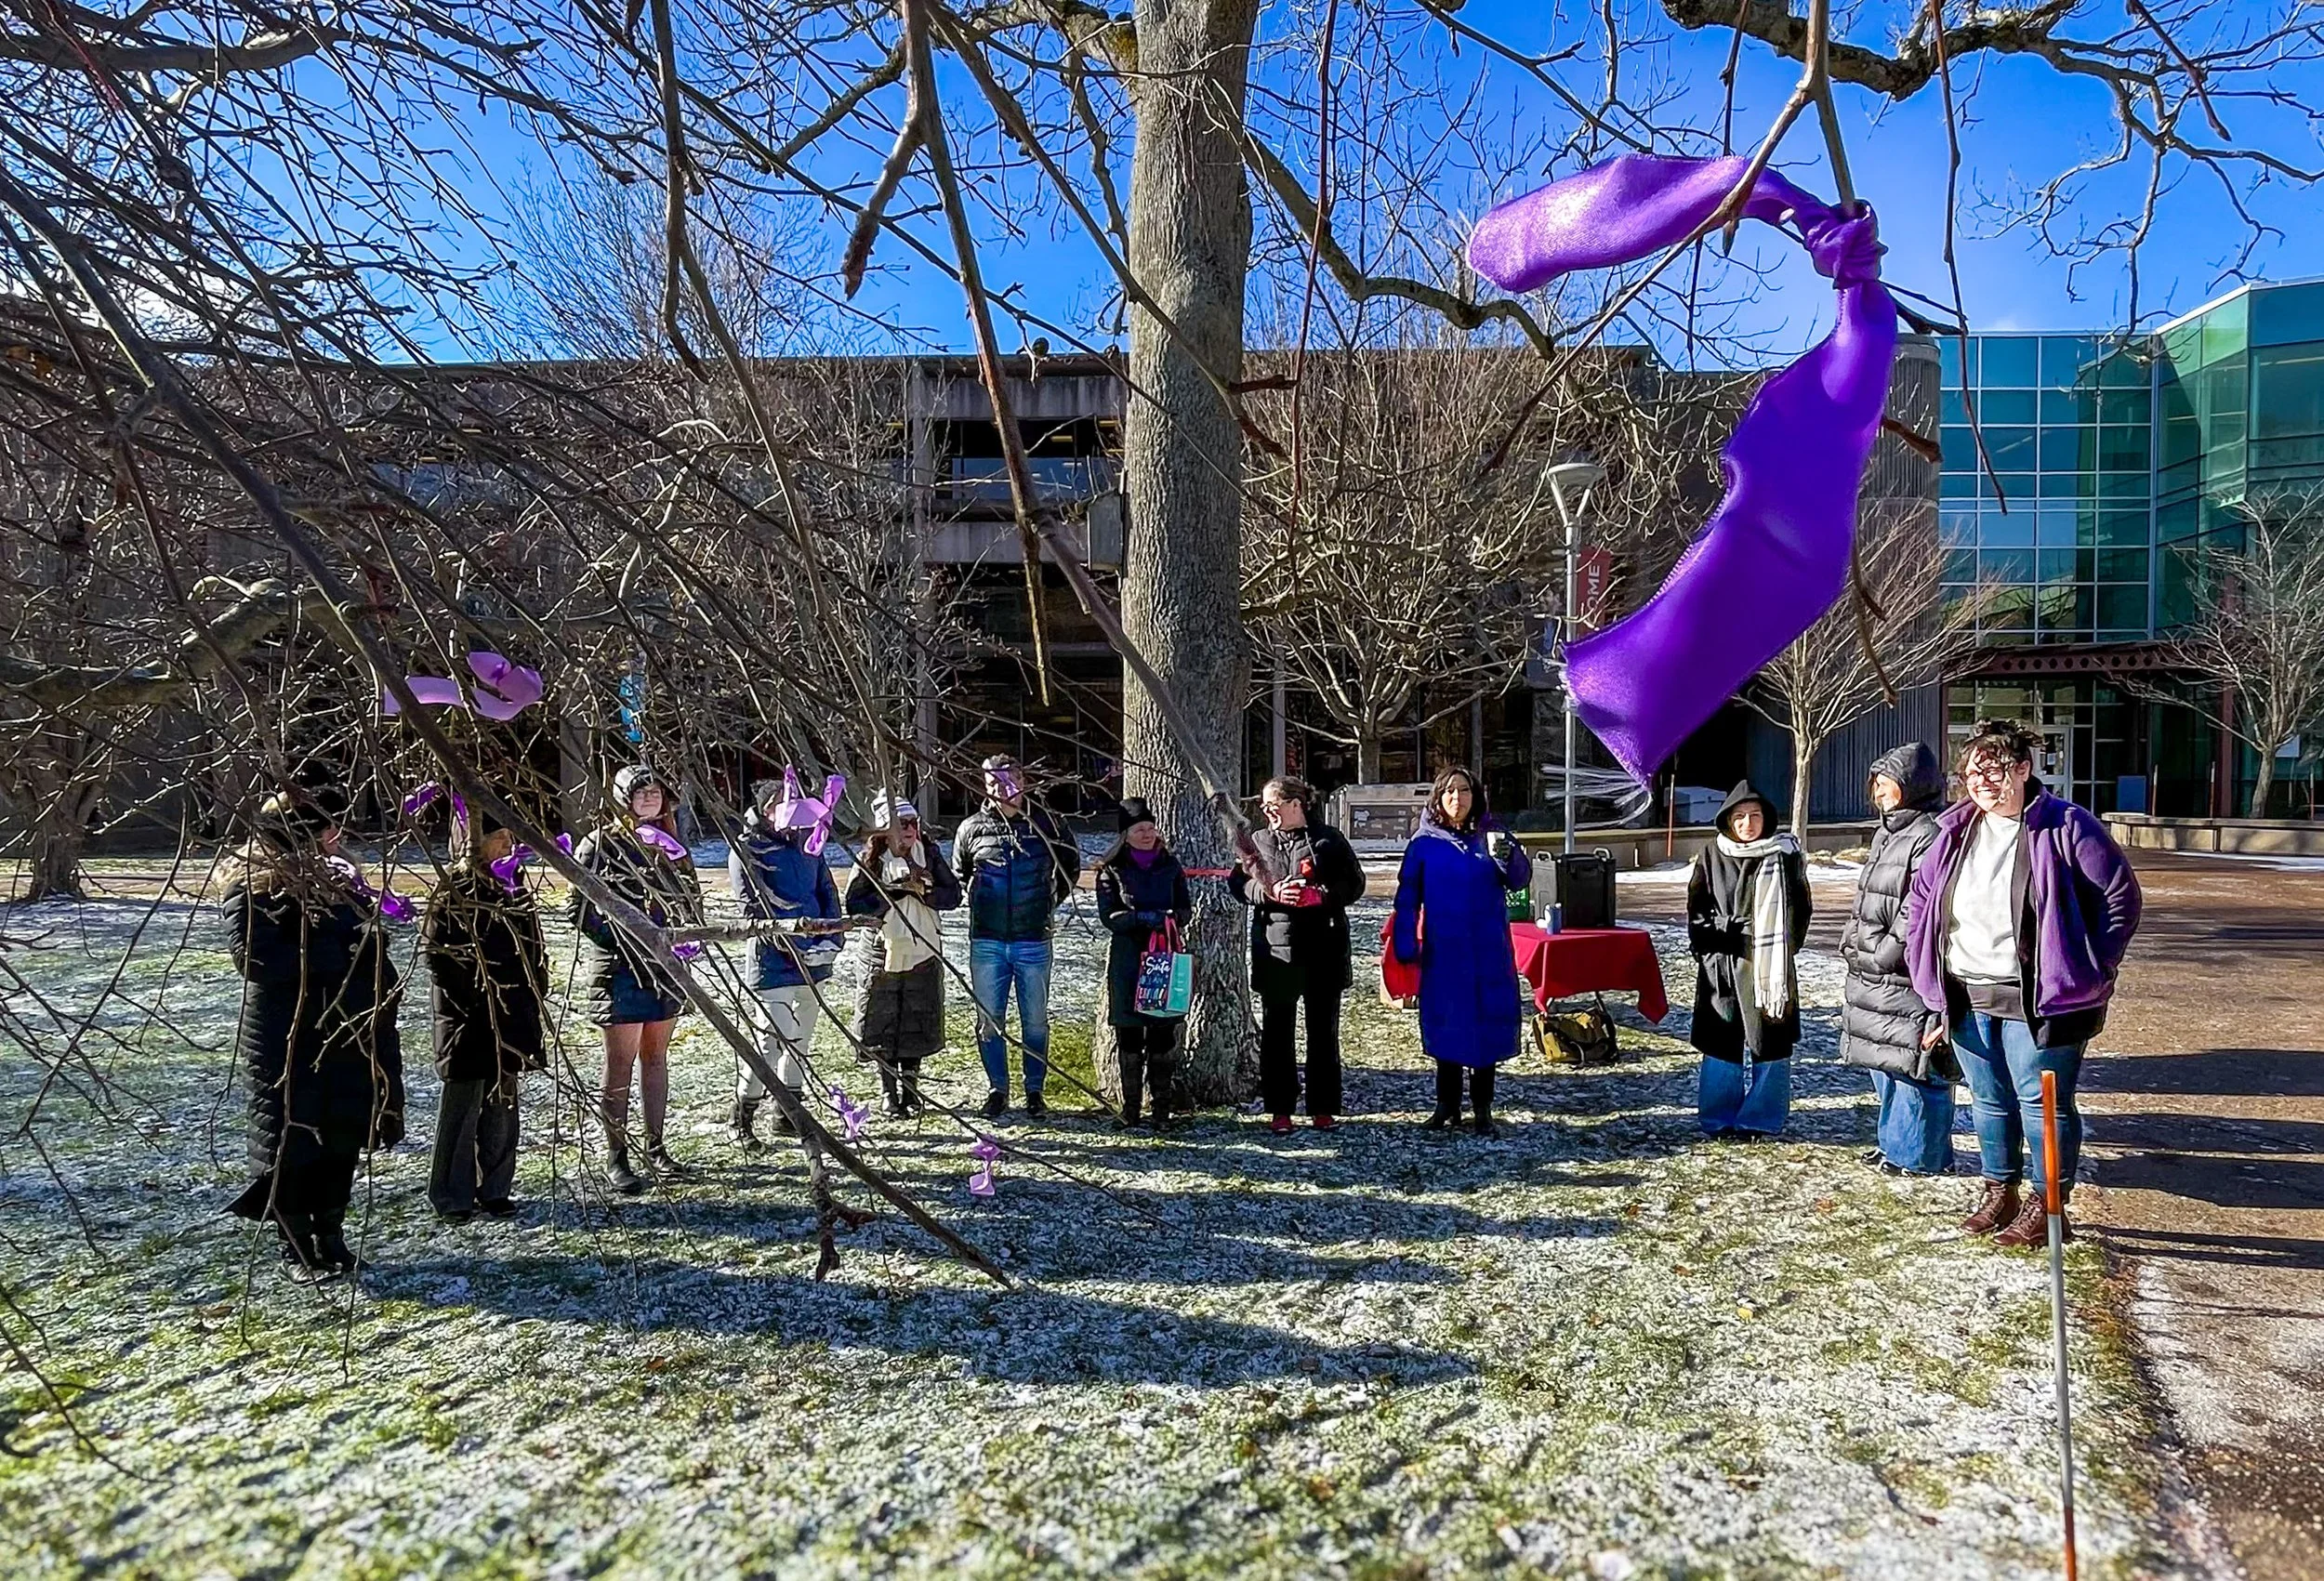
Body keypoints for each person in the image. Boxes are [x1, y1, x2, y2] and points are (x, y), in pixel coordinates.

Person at [1908, 719, 2141, 1246]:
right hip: (1966, 993)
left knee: (2043, 1105)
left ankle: (2048, 1203)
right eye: (1972, 773)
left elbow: (2119, 898)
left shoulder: (2066, 826)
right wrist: (1927, 969)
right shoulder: (1953, 831)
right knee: (1988, 1101)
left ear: (2023, 769)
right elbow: (1922, 900)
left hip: (2042, 999)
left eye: (1994, 771)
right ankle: (2000, 1190)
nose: (1983, 783)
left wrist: (2092, 966)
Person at [221, 789, 405, 1278]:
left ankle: (332, 1234)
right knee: (295, 1140)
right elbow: (257, 960)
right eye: (324, 830)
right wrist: (340, 949)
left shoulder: (340, 879)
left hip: (347, 1030)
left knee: (342, 1134)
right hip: (289, 1036)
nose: (336, 838)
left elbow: (365, 941)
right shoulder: (253, 887)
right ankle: (296, 1243)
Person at [572, 762, 704, 1193]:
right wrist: (630, 940)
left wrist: (686, 936)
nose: (650, 799)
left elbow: (690, 899)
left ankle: (656, 1146)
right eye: (640, 792)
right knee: (619, 1066)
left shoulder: (672, 847)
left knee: (656, 1059)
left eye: (656, 792)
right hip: (620, 972)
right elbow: (583, 911)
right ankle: (617, 1155)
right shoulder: (599, 845)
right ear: (623, 797)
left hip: (663, 971)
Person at [1390, 767, 1532, 1137]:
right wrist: (1405, 942)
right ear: (1438, 798)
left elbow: (1518, 880)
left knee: (1486, 1028)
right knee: (1447, 1026)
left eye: (1464, 790)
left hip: (1489, 952)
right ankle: (1446, 1105)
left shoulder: (1492, 835)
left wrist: (1508, 855)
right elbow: (1407, 899)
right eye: (1450, 791)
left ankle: (1483, 1108)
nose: (1458, 798)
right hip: (1444, 953)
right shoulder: (1424, 844)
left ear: (1475, 795)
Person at [422, 803, 548, 1221]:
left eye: (511, 839)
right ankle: (452, 1195)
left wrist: (535, 985)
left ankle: (495, 1188)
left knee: (503, 1105)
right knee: (463, 1107)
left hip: (512, 1014)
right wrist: (477, 999)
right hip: (469, 1017)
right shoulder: (453, 890)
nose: (508, 846)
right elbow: (439, 958)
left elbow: (532, 942)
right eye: (500, 838)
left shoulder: (514, 886)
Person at [1839, 743, 1957, 1176]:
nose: (1879, 791)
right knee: (1883, 1061)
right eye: (1877, 783)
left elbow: (1919, 906)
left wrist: (1888, 951)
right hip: (1870, 966)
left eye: (1887, 782)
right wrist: (1851, 940)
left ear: (1911, 785)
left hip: (1902, 971)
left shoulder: (1928, 832)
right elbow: (1867, 897)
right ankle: (1895, 1143)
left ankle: (1921, 1155)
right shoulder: (1889, 831)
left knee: (1913, 1063)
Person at [1230, 776, 1366, 1133]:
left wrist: (1321, 895)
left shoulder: (1329, 840)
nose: (1265, 811)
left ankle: (1323, 1107)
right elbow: (1238, 884)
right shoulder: (1257, 842)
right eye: (1262, 806)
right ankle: (1280, 1109)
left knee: (1323, 1031)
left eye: (1272, 804)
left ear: (1296, 804)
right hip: (1275, 951)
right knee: (1277, 1033)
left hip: (1325, 948)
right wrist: (1269, 893)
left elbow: (1354, 884)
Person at [953, 754, 1080, 1119]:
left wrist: (1050, 899)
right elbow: (961, 873)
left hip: (1033, 939)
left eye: (1007, 781)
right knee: (989, 1019)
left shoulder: (1049, 824)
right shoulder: (971, 828)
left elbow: (1070, 867)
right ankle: (998, 1088)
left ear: (1022, 782)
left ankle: (1035, 1090)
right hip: (988, 940)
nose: (1000, 790)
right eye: (993, 783)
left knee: (1035, 1020)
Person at [1686, 781, 1812, 1139]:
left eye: (1755, 816)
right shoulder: (1711, 854)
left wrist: (1782, 948)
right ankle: (1719, 1117)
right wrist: (1722, 935)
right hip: (1723, 966)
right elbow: (1697, 909)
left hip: (1767, 968)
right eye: (1739, 817)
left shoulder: (1783, 855)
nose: (1747, 824)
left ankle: (1761, 1118)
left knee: (1769, 1043)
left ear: (1767, 819)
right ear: (1727, 820)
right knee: (1721, 1043)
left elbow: (1800, 907)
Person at [728, 770, 846, 1147]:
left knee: (802, 1040)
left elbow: (827, 891)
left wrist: (834, 938)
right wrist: (793, 946)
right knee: (772, 1037)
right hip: (772, 961)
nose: (784, 812)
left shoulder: (810, 845)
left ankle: (789, 1113)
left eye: (789, 804)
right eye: (775, 805)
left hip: (817, 956)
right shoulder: (747, 849)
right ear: (762, 811)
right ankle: (743, 1114)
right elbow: (752, 909)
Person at [847, 791, 962, 1116]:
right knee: (883, 1021)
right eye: (902, 824)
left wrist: (924, 891)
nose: (910, 830)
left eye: (913, 822)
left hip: (924, 949)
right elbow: (855, 906)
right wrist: (894, 891)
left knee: (916, 1018)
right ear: (886, 829)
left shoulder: (931, 854)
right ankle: (888, 1091)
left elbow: (952, 895)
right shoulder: (869, 861)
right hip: (881, 953)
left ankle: (911, 1089)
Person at [1095, 797, 1195, 1129]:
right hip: (1128, 960)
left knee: (1162, 1034)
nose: (1147, 834)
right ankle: (1131, 1109)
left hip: (1165, 957)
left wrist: (1171, 919)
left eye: (1151, 828)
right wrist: (1143, 919)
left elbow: (1185, 907)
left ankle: (1163, 1110)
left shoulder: (1170, 865)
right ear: (1126, 834)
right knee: (1130, 1035)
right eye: (1140, 829)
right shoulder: (1112, 870)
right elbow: (1110, 916)